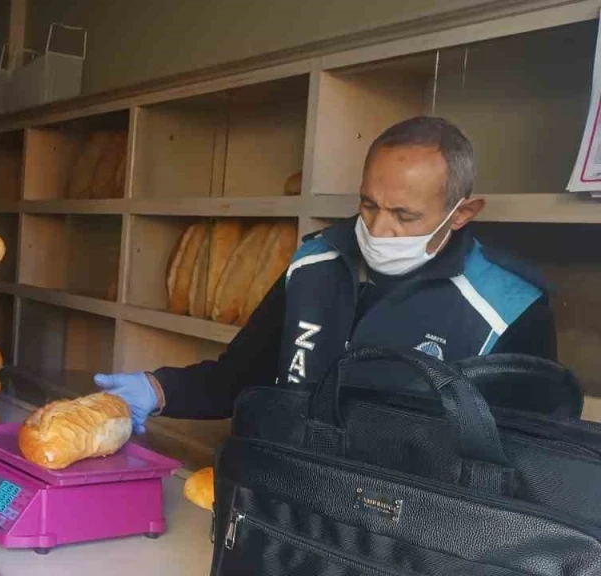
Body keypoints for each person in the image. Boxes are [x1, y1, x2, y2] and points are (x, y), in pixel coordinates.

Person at [96, 117, 556, 431]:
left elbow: (526, 455)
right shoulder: (314, 265)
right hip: (291, 505)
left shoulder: (508, 308)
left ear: (461, 214)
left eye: (404, 215)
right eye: (368, 205)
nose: (378, 229)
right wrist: (158, 390)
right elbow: (235, 378)